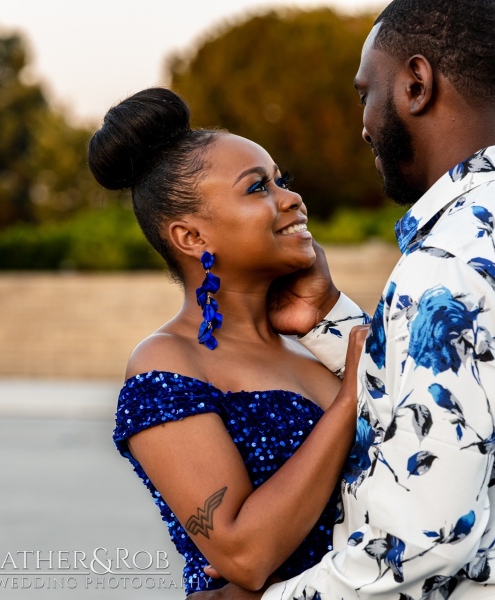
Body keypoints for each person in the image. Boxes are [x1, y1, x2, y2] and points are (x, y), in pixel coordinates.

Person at [192, 1, 495, 599]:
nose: (364, 124)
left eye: (364, 94)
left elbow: (422, 539)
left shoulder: (447, 262)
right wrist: (331, 319)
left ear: (416, 84)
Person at [87, 87, 370, 596]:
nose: (290, 198)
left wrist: (325, 310)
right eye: (257, 188)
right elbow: (246, 554)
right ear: (192, 238)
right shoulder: (167, 364)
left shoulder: (318, 349)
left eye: (281, 181)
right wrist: (349, 400)